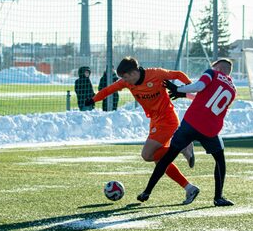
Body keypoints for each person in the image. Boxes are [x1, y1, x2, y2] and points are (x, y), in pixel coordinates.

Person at [85, 56, 198, 204]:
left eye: (126, 77)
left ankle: (181, 146)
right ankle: (190, 188)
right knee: (159, 159)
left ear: (133, 72)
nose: (125, 80)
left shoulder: (156, 74)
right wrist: (94, 99)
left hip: (167, 119)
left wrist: (188, 86)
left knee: (146, 155)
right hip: (155, 121)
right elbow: (109, 89)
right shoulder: (127, 82)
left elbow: (177, 74)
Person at [137, 58, 236, 207]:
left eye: (213, 66)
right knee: (220, 161)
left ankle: (147, 192)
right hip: (210, 129)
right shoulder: (232, 89)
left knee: (167, 157)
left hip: (191, 123)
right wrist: (184, 95)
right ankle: (218, 197)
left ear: (219, 68)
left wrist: (179, 89)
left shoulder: (212, 73)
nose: (211, 68)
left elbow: (199, 86)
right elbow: (207, 98)